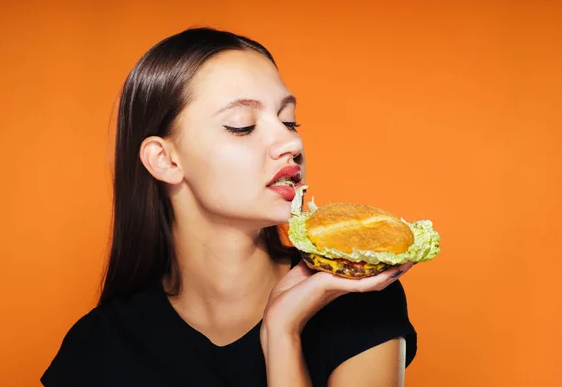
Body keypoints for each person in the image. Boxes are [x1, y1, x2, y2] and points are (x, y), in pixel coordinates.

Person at [41, 27, 417, 387]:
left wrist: (281, 334)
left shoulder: (357, 301)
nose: (289, 141)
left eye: (289, 120)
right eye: (242, 126)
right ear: (165, 160)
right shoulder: (97, 349)